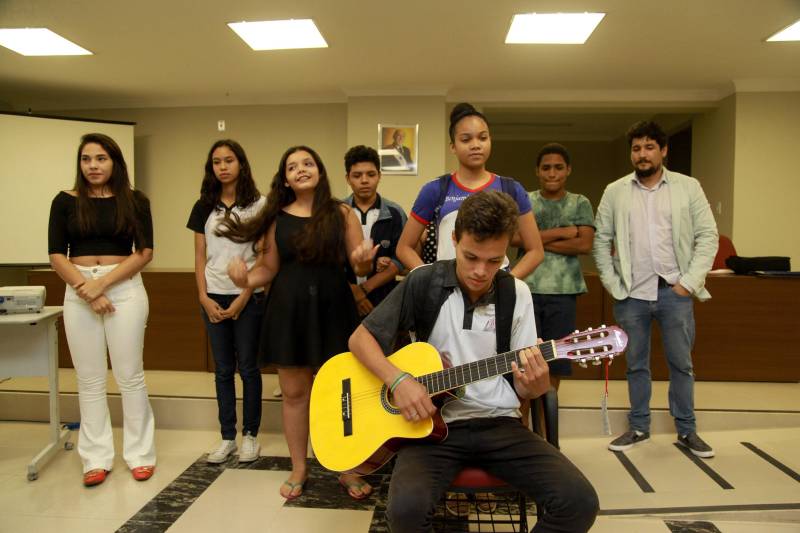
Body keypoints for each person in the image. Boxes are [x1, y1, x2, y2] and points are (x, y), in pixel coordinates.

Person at [349, 190, 599, 533]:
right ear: (454, 240)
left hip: (499, 423)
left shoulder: (517, 293)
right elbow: (359, 339)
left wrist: (536, 384)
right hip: (430, 429)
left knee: (579, 502)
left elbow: (525, 388)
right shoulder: (424, 281)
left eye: (494, 261)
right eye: (471, 257)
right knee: (405, 513)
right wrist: (398, 380)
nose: (481, 271)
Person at [224, 146, 378, 501]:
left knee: (342, 394)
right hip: (289, 312)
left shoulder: (342, 213)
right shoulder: (275, 218)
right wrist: (244, 279)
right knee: (294, 394)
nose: (301, 169)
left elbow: (360, 267)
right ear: (285, 179)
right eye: (292, 166)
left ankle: (347, 466)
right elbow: (267, 269)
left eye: (308, 163)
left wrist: (362, 261)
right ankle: (299, 467)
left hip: (334, 311)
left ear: (320, 171)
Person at [593, 121, 719, 458]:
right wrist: (614, 285)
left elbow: (708, 236)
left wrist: (688, 284)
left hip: (674, 292)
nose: (642, 154)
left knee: (682, 365)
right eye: (636, 148)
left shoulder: (688, 187)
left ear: (663, 151)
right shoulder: (615, 191)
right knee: (635, 365)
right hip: (631, 295)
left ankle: (687, 430)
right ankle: (638, 427)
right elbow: (601, 241)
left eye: (649, 147)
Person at [48, 133, 156, 487]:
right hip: (79, 289)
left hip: (123, 289)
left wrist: (102, 284)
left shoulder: (136, 201)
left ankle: (140, 455)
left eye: (101, 158)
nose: (93, 166)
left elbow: (144, 252)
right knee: (90, 379)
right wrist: (86, 289)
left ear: (115, 162)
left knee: (130, 376)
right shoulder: (64, 201)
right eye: (86, 159)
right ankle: (95, 458)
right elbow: (56, 255)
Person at [396, 102, 544, 278]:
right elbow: (404, 248)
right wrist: (432, 280)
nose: (475, 145)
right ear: (453, 146)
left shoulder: (511, 189)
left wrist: (507, 283)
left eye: (482, 138)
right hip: (447, 285)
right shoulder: (435, 189)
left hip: (494, 287)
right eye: (466, 139)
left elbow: (536, 251)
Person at [186, 140, 266, 464]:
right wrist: (203, 297)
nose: (223, 166)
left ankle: (251, 436)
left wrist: (243, 297)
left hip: (248, 295)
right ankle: (227, 437)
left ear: (241, 164)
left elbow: (264, 255)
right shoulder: (203, 206)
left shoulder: (259, 205)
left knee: (248, 367)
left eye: (229, 160)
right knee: (222, 370)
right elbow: (199, 255)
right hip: (213, 294)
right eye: (217, 161)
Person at [523, 143, 595, 390]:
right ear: (537, 171)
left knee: (556, 360)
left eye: (558, 167)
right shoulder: (526, 200)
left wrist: (535, 241)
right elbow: (514, 238)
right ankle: (525, 413)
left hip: (564, 292)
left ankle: (548, 413)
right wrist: (563, 232)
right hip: (527, 289)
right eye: (546, 168)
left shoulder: (580, 203)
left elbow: (584, 244)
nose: (552, 173)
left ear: (568, 170)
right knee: (526, 358)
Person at [342, 145, 408, 317]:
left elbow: (402, 258)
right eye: (357, 175)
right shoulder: (335, 213)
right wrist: (352, 292)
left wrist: (364, 289)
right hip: (342, 300)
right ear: (347, 178)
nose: (364, 180)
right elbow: (326, 262)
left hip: (384, 300)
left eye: (371, 174)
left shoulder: (395, 213)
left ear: (379, 176)